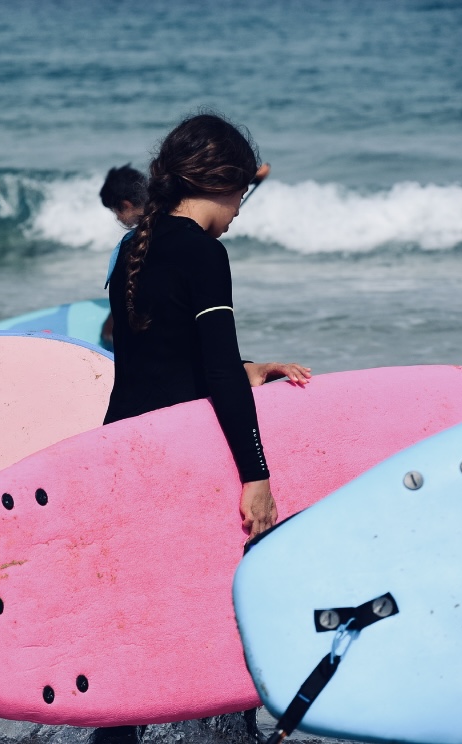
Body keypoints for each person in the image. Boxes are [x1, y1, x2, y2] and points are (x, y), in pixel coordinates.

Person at [96, 113, 310, 744]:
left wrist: (249, 369)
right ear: (222, 183)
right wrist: (256, 475)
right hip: (183, 454)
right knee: (224, 595)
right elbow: (213, 371)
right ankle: (232, 733)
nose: (241, 208)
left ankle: (115, 734)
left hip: (122, 447)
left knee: (139, 606)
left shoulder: (135, 247)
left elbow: (159, 360)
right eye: (242, 193)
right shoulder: (204, 253)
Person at [98, 164, 148, 348]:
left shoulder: (134, 243)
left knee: (107, 333)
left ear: (126, 205)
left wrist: (111, 322)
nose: (117, 218)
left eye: (116, 211)